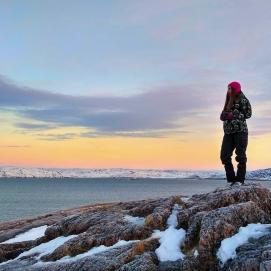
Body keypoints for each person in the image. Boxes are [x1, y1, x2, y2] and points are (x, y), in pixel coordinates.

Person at [220, 81, 252, 185]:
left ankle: (239, 181)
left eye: (230, 89)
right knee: (224, 156)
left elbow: (248, 114)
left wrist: (233, 115)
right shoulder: (229, 99)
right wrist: (223, 116)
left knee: (240, 156)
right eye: (228, 88)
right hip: (228, 132)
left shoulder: (243, 99)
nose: (228, 91)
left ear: (235, 89)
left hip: (240, 131)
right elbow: (226, 114)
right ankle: (231, 180)